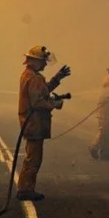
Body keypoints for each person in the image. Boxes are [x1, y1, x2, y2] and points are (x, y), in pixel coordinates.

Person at [16, 46, 71, 201]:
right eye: (43, 62)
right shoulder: (34, 77)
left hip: (32, 122)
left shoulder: (30, 75)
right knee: (34, 159)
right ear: (35, 61)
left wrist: (57, 79)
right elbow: (38, 102)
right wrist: (56, 104)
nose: (45, 65)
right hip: (34, 123)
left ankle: (25, 188)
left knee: (32, 157)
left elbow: (43, 92)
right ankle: (25, 190)